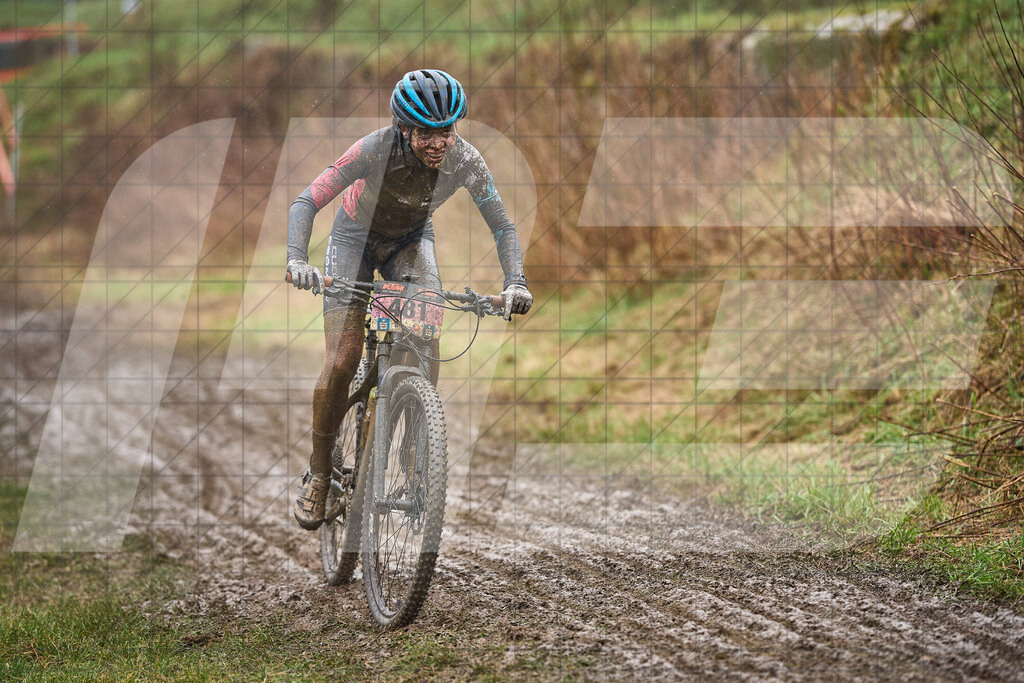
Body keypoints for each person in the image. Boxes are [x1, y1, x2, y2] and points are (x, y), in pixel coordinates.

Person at [285, 68, 533, 531]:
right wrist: (298, 259)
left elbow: (502, 225)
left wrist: (515, 281)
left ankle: (416, 449)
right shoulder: (375, 149)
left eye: (447, 131)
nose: (438, 143)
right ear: (404, 129)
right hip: (353, 240)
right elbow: (306, 201)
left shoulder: (466, 161)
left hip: (412, 242)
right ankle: (320, 475)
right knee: (342, 362)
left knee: (426, 330)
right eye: (425, 133)